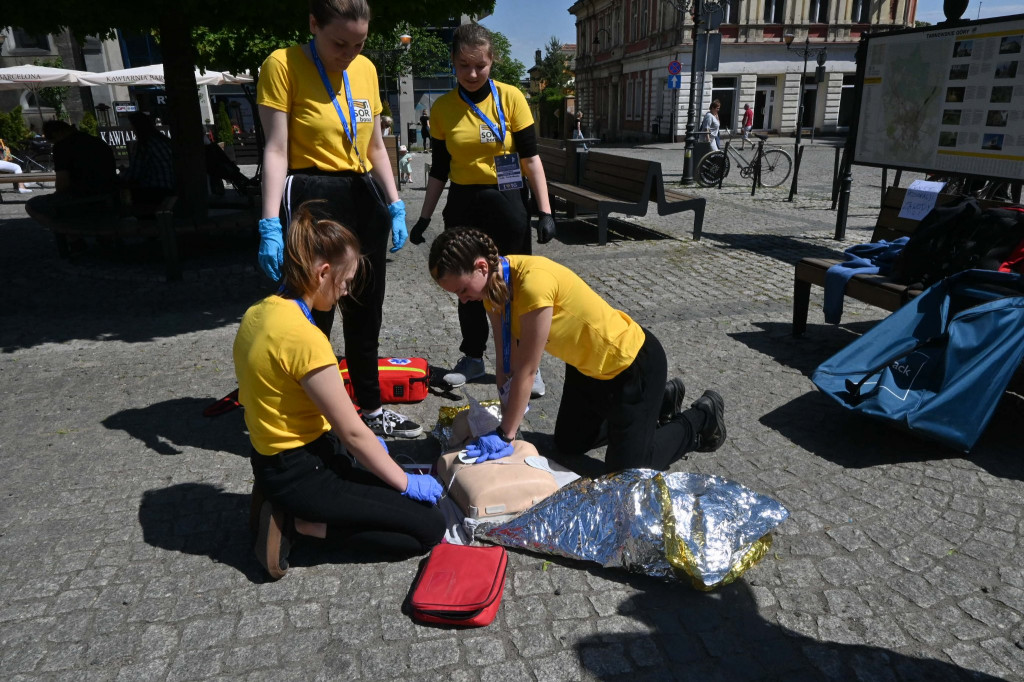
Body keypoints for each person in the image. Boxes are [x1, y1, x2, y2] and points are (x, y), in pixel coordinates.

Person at [235, 202, 445, 580]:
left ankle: (287, 506)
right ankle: (300, 526)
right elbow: (351, 430)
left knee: (393, 467)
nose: (346, 291)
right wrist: (404, 481)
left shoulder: (259, 312)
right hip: (302, 473)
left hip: (282, 458)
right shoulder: (304, 338)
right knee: (427, 528)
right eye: (345, 281)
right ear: (323, 272)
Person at [428, 228, 727, 474]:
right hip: (586, 370)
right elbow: (507, 362)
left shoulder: (532, 285)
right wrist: (507, 414)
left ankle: (701, 417)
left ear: (481, 267)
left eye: (462, 290)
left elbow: (528, 371)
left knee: (628, 471)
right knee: (568, 445)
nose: (464, 300)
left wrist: (505, 434)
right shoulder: (493, 290)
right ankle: (660, 403)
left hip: (632, 364)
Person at [256, 0, 421, 439]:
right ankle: (311, 414)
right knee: (315, 314)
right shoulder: (282, 64)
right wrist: (270, 223)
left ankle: (369, 407)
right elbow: (274, 149)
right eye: (339, 43)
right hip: (313, 193)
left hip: (363, 194)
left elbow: (376, 146)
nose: (348, 53)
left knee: (366, 309)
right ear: (313, 24)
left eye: (359, 43)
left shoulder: (365, 69)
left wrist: (395, 202)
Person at [408, 23, 556, 396]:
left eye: (480, 65)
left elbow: (532, 159)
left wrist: (545, 211)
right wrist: (424, 217)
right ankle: (473, 358)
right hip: (464, 204)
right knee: (467, 287)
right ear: (453, 64)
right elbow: (440, 169)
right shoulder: (442, 109)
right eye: (463, 66)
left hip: (507, 202)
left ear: (493, 61)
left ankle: (527, 365)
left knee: (516, 288)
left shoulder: (511, 98)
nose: (472, 74)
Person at [25, 120, 117, 230]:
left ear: (56, 135)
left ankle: (71, 236)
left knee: (32, 205)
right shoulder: (97, 142)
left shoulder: (62, 146)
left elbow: (62, 183)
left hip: (80, 197)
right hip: (109, 193)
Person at [121, 112, 175, 214]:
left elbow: (134, 173)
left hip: (155, 192)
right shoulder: (164, 140)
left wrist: (121, 175)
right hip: (170, 188)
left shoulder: (143, 144)